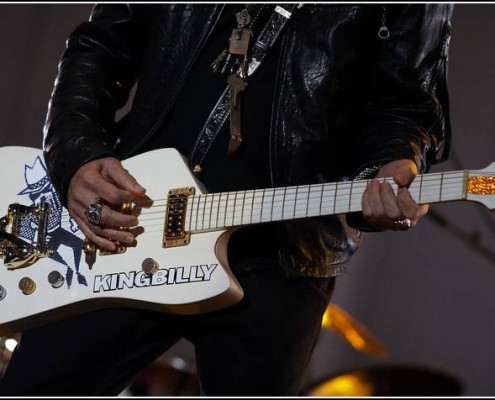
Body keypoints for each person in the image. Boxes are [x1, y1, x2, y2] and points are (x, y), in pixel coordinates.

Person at [0, 3, 454, 396]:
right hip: (135, 219)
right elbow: (100, 45)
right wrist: (78, 155)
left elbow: (408, 104)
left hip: (283, 253)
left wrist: (394, 163)